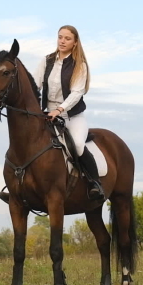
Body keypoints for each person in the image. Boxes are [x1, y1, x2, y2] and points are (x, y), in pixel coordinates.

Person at [33, 25, 105, 201]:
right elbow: (35, 85)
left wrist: (59, 109)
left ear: (75, 42)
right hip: (47, 115)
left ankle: (94, 183)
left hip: (72, 116)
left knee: (78, 146)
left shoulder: (80, 65)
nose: (62, 41)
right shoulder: (47, 61)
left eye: (67, 38)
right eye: (60, 37)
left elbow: (77, 92)